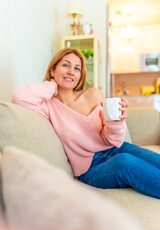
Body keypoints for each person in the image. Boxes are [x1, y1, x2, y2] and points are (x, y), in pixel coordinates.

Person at [12, 47, 160, 199]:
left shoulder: (93, 95)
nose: (71, 71)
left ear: (80, 75)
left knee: (156, 160)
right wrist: (51, 86)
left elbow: (114, 140)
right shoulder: (48, 106)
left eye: (77, 68)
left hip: (116, 149)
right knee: (125, 162)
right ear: (52, 70)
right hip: (91, 169)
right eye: (66, 65)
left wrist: (117, 121)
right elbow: (18, 97)